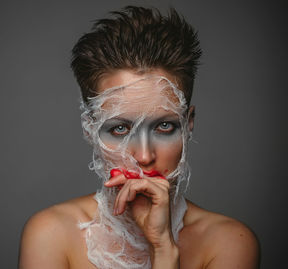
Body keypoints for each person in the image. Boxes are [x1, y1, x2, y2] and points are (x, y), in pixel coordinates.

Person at [18, 6, 260, 269]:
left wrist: (164, 249)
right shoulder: (51, 236)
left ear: (188, 124)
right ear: (90, 129)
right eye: (120, 129)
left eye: (164, 127)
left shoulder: (228, 243)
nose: (144, 157)